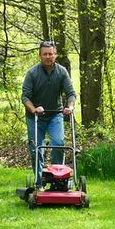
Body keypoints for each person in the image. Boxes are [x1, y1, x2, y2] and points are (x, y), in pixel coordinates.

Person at [21, 40, 76, 183]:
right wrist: (34, 109)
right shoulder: (32, 73)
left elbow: (71, 94)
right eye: (45, 54)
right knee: (36, 148)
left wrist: (69, 107)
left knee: (58, 143)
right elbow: (25, 96)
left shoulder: (61, 72)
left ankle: (58, 178)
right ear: (40, 55)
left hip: (55, 115)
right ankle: (39, 182)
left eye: (50, 54)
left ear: (55, 55)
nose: (48, 57)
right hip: (35, 117)